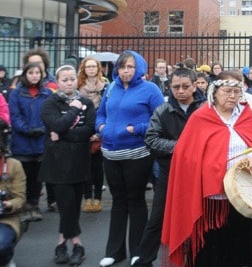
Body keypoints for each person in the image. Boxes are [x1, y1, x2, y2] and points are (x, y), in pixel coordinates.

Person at [162, 78, 252, 267]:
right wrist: (211, 164)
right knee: (212, 248)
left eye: (236, 92)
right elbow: (185, 154)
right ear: (214, 93)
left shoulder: (245, 114)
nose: (233, 96)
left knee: (241, 245)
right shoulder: (201, 117)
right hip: (212, 200)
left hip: (244, 196)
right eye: (227, 91)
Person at [96, 51, 165, 267]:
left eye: (130, 67)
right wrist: (101, 127)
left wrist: (135, 129)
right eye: (122, 67)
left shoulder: (150, 89)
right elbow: (100, 114)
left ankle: (138, 251)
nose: (125, 71)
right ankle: (114, 251)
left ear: (139, 68)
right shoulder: (110, 88)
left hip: (137, 154)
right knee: (118, 202)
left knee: (135, 200)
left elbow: (160, 119)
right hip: (110, 153)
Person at [132, 68, 206, 267]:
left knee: (199, 216)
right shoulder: (163, 110)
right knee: (157, 217)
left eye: (185, 86)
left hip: (199, 173)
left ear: (194, 86)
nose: (180, 91)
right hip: (169, 172)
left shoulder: (206, 108)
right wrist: (179, 147)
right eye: (176, 87)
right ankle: (144, 258)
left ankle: (197, 256)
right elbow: (151, 139)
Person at [39, 65, 96, 266]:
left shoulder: (87, 103)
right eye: (65, 79)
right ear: (58, 81)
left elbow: (89, 130)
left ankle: (61, 244)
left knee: (73, 206)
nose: (69, 83)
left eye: (72, 79)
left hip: (80, 162)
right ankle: (77, 245)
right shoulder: (49, 104)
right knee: (66, 205)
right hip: (57, 164)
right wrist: (73, 108)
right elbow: (57, 125)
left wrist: (64, 135)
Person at [8, 62, 51, 223]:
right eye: (31, 72)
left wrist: (42, 128)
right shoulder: (16, 93)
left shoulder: (46, 93)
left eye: (37, 72)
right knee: (23, 176)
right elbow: (15, 116)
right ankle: (24, 207)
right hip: (22, 142)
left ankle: (34, 205)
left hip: (40, 141)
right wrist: (28, 129)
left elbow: (49, 114)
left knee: (37, 177)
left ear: (41, 75)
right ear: (25, 74)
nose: (34, 75)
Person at [78, 57, 109, 213]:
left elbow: (107, 111)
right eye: (88, 66)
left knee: (97, 167)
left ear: (98, 69)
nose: (91, 69)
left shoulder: (105, 87)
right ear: (84, 69)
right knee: (85, 167)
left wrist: (98, 132)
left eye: (94, 66)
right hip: (82, 132)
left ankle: (97, 198)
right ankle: (87, 198)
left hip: (100, 131)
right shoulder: (78, 88)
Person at [0, 144, 26, 267]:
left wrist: (8, 204)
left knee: (2, 246)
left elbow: (20, 199)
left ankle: (5, 260)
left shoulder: (14, 165)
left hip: (6, 218)